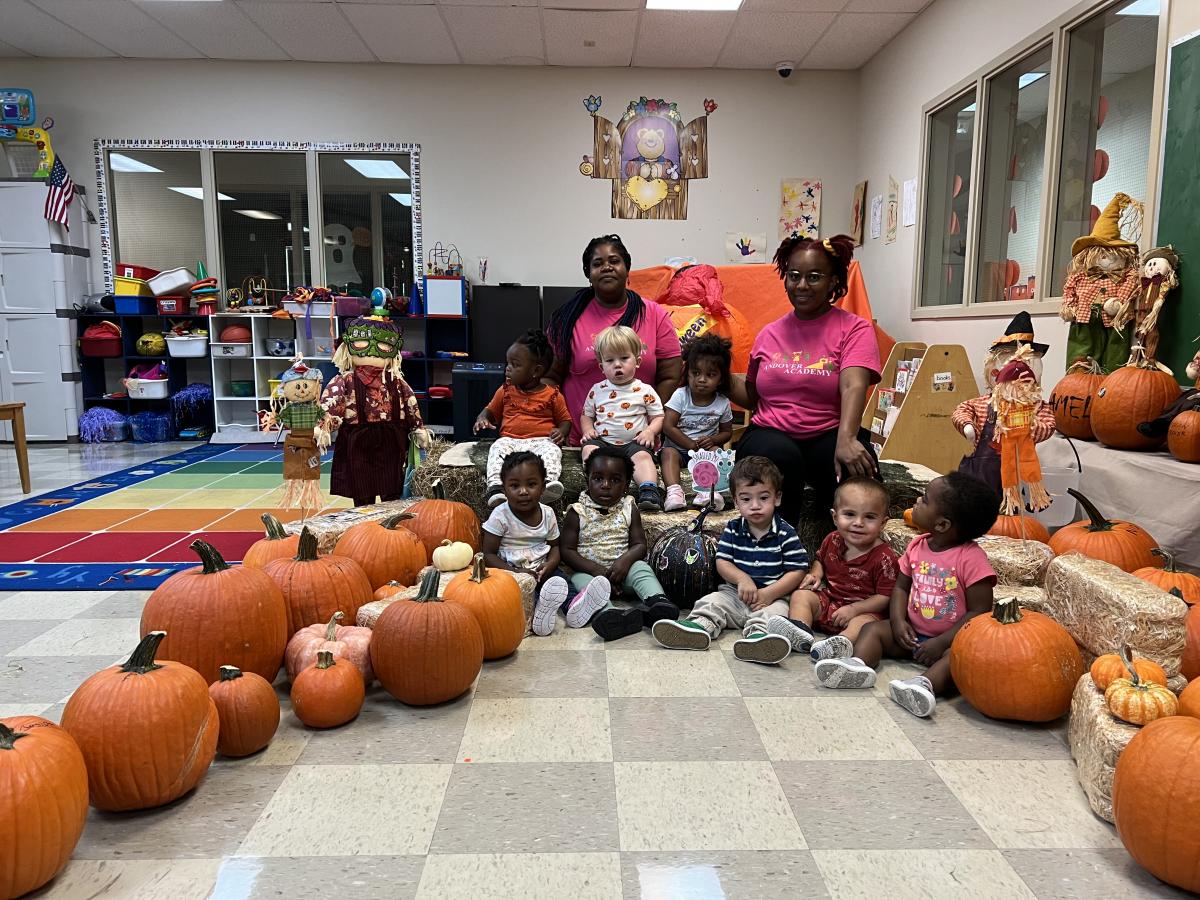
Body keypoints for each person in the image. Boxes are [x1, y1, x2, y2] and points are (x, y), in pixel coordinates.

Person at [810, 472, 998, 718]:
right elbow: (900, 588)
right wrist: (898, 622)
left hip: (949, 641)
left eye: (925, 499)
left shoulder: (971, 558)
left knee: (960, 658)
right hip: (911, 633)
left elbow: (979, 611)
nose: (917, 501)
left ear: (942, 524)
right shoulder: (917, 546)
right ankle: (857, 665)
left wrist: (943, 642)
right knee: (873, 630)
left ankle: (923, 685)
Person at [728, 234, 881, 526]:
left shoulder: (854, 328)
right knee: (779, 457)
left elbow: (853, 384)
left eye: (814, 277)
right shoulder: (769, 333)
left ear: (833, 281)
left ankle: (844, 551)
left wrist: (847, 439)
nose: (801, 285)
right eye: (794, 276)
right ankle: (775, 547)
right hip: (770, 430)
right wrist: (717, 375)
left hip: (830, 430)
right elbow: (753, 395)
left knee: (856, 473)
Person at [651, 456, 809, 665]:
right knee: (712, 602)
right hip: (734, 595)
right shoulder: (733, 529)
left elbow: (798, 570)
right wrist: (742, 578)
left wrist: (771, 593)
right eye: (746, 499)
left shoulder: (785, 533)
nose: (755, 506)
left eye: (763, 498)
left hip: (771, 598)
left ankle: (759, 640)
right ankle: (698, 628)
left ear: (777, 498)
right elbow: (722, 562)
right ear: (735, 502)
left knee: (776, 616)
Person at [545, 234, 682, 444]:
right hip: (581, 439)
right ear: (588, 273)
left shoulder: (655, 315)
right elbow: (550, 377)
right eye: (597, 263)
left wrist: (651, 421)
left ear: (627, 268)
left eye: (614, 261)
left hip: (640, 441)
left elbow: (670, 376)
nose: (607, 267)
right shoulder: (566, 318)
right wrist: (558, 425)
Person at [559, 446, 679, 642]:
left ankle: (657, 602)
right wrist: (595, 570)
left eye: (615, 480)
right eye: (598, 478)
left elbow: (639, 545)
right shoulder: (577, 511)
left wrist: (625, 561)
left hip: (624, 572)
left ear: (626, 484)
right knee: (579, 581)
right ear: (587, 479)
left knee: (641, 568)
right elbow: (567, 550)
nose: (606, 485)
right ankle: (608, 614)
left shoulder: (628, 507)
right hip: (591, 573)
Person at [770, 477, 898, 654]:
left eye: (869, 517)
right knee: (801, 596)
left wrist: (854, 609)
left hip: (863, 610)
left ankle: (838, 645)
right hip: (830, 602)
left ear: (883, 523)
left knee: (865, 624)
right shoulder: (833, 540)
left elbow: (885, 597)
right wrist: (815, 574)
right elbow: (820, 560)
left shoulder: (885, 558)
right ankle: (800, 631)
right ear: (835, 517)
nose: (858, 523)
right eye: (850, 514)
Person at [319, 314, 427, 507]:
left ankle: (391, 519)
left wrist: (417, 427)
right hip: (358, 440)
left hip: (392, 439)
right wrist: (323, 426)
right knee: (362, 490)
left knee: (392, 489)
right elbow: (332, 402)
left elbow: (411, 403)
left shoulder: (397, 381)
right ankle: (365, 521)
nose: (373, 353)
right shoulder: (345, 380)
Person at [473, 330, 571, 508]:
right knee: (497, 447)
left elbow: (565, 420)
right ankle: (495, 488)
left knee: (552, 450)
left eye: (515, 364)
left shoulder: (553, 395)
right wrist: (483, 418)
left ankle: (547, 484)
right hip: (511, 441)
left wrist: (561, 432)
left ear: (536, 371)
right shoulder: (505, 391)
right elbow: (489, 411)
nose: (507, 368)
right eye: (508, 363)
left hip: (541, 441)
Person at [580, 325, 665, 511]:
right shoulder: (597, 390)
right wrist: (588, 430)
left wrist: (650, 431)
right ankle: (594, 487)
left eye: (624, 358)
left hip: (634, 443)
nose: (617, 365)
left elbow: (658, 416)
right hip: (603, 441)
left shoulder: (645, 390)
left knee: (643, 457)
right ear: (602, 367)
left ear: (637, 361)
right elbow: (586, 415)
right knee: (589, 451)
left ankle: (649, 490)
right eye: (610, 360)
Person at [661, 333, 735, 512]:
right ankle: (674, 492)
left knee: (717, 452)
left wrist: (714, 440)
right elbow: (668, 426)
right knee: (667, 453)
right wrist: (689, 444)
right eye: (696, 373)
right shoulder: (681, 395)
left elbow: (727, 432)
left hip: (704, 452)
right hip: (679, 449)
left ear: (721, 379)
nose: (701, 379)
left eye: (710, 375)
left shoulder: (722, 403)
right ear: (687, 374)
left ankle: (708, 491)